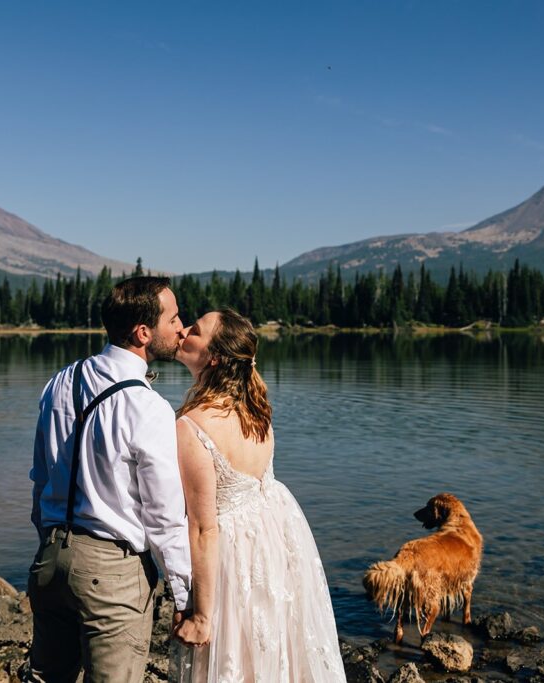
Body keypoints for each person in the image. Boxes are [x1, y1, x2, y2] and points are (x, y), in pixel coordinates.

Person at [28, 276, 192, 683]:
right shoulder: (147, 406)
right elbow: (164, 516)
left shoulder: (59, 383)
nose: (181, 328)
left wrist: (50, 542)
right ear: (143, 333)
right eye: (173, 318)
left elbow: (40, 478)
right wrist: (186, 595)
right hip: (111, 572)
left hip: (50, 560)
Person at [169, 308, 346, 682]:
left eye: (195, 330)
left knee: (237, 657)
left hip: (234, 556)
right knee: (274, 654)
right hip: (276, 542)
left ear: (214, 357)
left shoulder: (192, 426)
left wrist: (202, 616)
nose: (183, 330)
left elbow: (203, 529)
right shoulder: (257, 409)